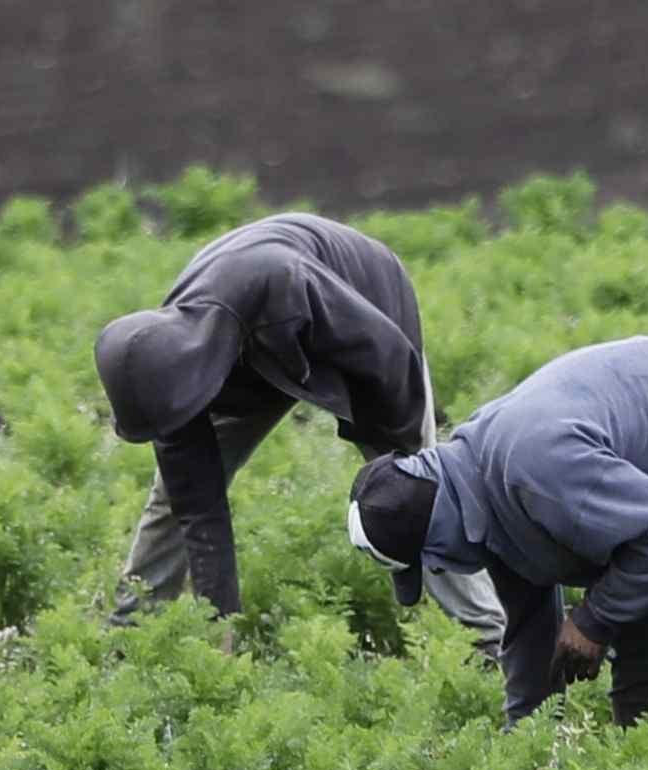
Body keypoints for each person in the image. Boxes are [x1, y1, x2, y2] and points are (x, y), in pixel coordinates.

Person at [346, 330, 648, 754]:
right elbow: (531, 633)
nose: (445, 570)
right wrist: (526, 751)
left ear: (438, 539)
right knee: (640, 628)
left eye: (431, 562)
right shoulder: (478, 491)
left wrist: (593, 620)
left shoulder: (535, 468)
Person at [91, 208, 484, 637]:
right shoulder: (163, 376)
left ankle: (486, 638)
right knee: (175, 496)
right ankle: (129, 634)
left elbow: (390, 361)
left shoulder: (284, 286)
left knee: (418, 492)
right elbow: (200, 511)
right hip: (253, 352)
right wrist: (221, 626)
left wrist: (402, 457)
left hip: (362, 308)